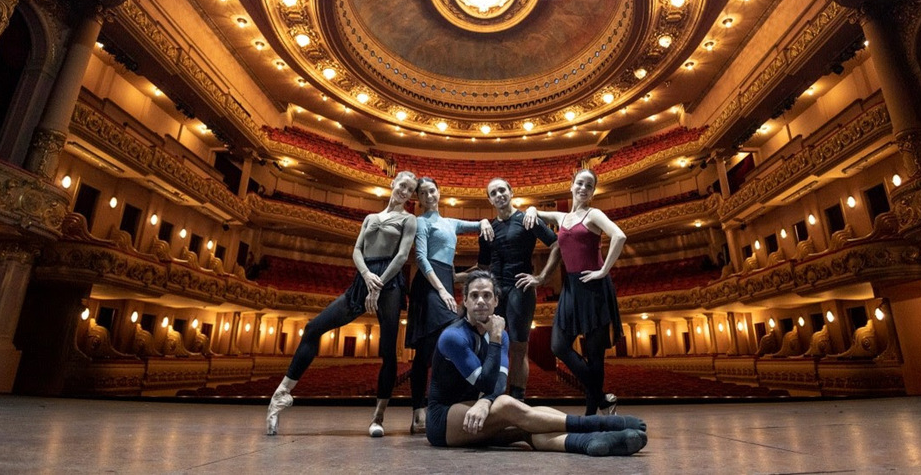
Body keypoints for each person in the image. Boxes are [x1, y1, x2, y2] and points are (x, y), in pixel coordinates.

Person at [426, 269, 647, 456]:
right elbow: (486, 383)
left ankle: (589, 442)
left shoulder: (499, 333)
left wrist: (485, 401)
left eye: (486, 295)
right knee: (506, 404)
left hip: (478, 412)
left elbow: (500, 383)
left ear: (496, 301)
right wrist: (486, 398)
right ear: (464, 301)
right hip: (444, 421)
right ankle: (598, 424)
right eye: (474, 296)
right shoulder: (453, 337)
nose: (480, 301)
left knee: (528, 428)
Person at [266, 170, 418, 437]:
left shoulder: (408, 220)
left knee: (388, 350)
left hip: (389, 282)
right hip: (365, 276)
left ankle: (378, 417)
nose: (404, 192)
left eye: (410, 190)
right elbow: (357, 250)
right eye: (402, 186)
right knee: (314, 328)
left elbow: (403, 255)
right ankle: (282, 394)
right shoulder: (370, 218)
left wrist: (378, 283)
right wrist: (366, 277)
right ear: (392, 184)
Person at [523, 168, 625, 416]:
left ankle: (591, 415)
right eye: (580, 183)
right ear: (571, 185)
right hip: (571, 287)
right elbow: (536, 212)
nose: (583, 188)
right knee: (558, 346)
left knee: (594, 354)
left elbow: (619, 236)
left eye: (588, 186)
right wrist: (531, 209)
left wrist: (603, 272)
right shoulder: (561, 218)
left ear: (592, 192)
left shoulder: (594, 214)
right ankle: (602, 398)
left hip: (594, 286)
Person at [406, 176, 493, 434]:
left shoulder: (450, 223)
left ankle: (445, 407)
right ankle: (417, 412)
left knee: (434, 348)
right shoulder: (420, 222)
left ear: (439, 192)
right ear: (419, 199)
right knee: (431, 346)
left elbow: (478, 225)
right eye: (423, 194)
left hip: (444, 281)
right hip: (428, 286)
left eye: (431, 191)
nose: (428, 196)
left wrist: (486, 221)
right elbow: (421, 258)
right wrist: (443, 289)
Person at [477, 177, 559, 400]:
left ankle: (516, 399)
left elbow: (556, 244)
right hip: (494, 293)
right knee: (491, 345)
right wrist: (452, 276)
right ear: (490, 199)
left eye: (502, 190)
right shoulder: (488, 228)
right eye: (493, 193)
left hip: (519, 289)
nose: (499, 195)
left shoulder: (527, 219)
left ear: (511, 192)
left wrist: (541, 277)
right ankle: (492, 397)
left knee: (518, 347)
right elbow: (483, 266)